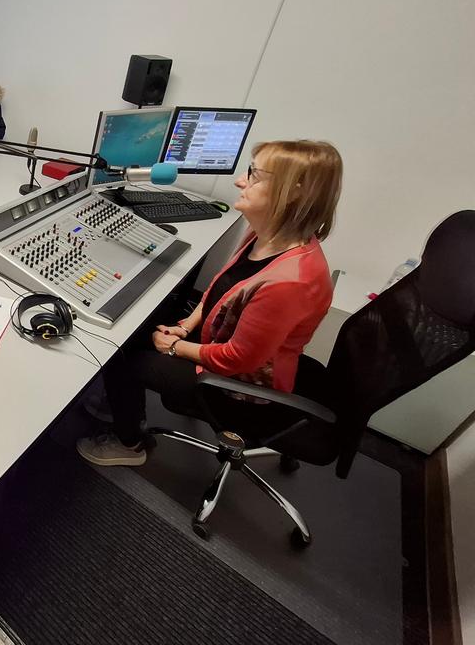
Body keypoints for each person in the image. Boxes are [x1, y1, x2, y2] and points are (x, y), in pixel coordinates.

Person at [77, 140, 343, 466]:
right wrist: (185, 325)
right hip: (222, 343)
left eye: (255, 175)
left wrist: (175, 347)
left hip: (239, 388)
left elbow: (237, 360)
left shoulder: (291, 283)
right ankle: (122, 405)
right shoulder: (270, 235)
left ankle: (128, 443)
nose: (241, 181)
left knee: (121, 357)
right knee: (139, 327)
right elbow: (222, 290)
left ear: (293, 193)